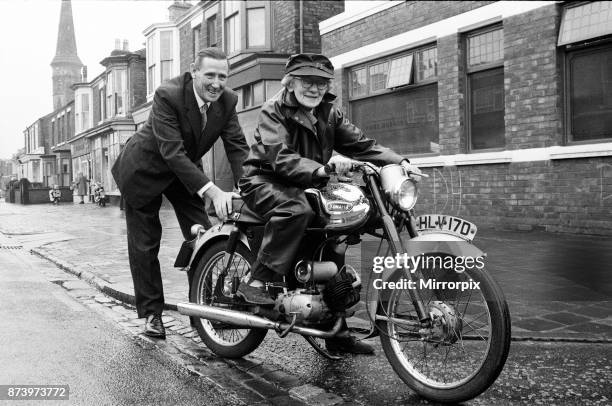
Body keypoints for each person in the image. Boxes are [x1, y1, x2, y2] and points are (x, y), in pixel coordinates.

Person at [237, 53, 422, 354]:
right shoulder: (274, 110)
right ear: (291, 82)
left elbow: (362, 144)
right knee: (297, 209)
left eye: (321, 82)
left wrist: (399, 161)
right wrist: (321, 171)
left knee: (339, 227)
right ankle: (256, 283)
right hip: (264, 181)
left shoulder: (329, 113)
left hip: (307, 181)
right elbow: (280, 158)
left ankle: (335, 331)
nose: (315, 88)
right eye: (308, 81)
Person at [111, 47, 249, 339]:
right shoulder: (167, 94)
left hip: (184, 173)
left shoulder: (227, 101)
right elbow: (171, 152)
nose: (216, 83)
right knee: (146, 244)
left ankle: (204, 311)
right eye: (209, 75)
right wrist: (212, 191)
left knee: (202, 236)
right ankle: (151, 314)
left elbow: (237, 147)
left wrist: (250, 188)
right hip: (144, 170)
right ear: (194, 71)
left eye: (222, 76)